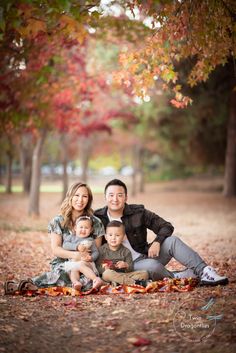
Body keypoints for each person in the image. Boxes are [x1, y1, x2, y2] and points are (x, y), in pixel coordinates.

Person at [94, 179, 229, 286]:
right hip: (123, 265)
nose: (115, 199)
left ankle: (205, 272)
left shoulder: (138, 212)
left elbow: (166, 226)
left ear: (126, 197)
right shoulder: (98, 217)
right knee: (152, 266)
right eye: (111, 195)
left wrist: (157, 242)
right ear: (105, 197)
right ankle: (176, 276)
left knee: (172, 241)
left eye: (119, 195)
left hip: (144, 255)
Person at [31, 182, 105, 291]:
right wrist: (75, 255)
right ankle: (29, 285)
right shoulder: (57, 221)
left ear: (88, 200)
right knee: (62, 275)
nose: (80, 200)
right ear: (70, 197)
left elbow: (97, 250)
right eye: (76, 195)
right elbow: (56, 249)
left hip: (87, 263)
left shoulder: (95, 222)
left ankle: (82, 283)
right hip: (64, 263)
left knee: (88, 281)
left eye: (84, 196)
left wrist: (86, 258)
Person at [96, 220, 149, 285]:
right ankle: (134, 283)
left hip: (123, 274)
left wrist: (125, 265)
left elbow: (130, 268)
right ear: (106, 237)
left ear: (123, 237)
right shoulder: (101, 250)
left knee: (144, 273)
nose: (113, 238)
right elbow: (96, 267)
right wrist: (104, 268)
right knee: (107, 274)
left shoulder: (126, 251)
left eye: (117, 235)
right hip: (109, 275)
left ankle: (118, 283)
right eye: (110, 235)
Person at [63, 215, 104, 290]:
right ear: (75, 228)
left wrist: (91, 258)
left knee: (81, 264)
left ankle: (96, 279)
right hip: (74, 262)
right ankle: (76, 283)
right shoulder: (71, 237)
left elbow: (96, 252)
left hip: (86, 263)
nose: (83, 230)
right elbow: (65, 245)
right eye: (81, 227)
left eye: (86, 228)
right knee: (73, 270)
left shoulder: (90, 241)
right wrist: (77, 246)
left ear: (91, 230)